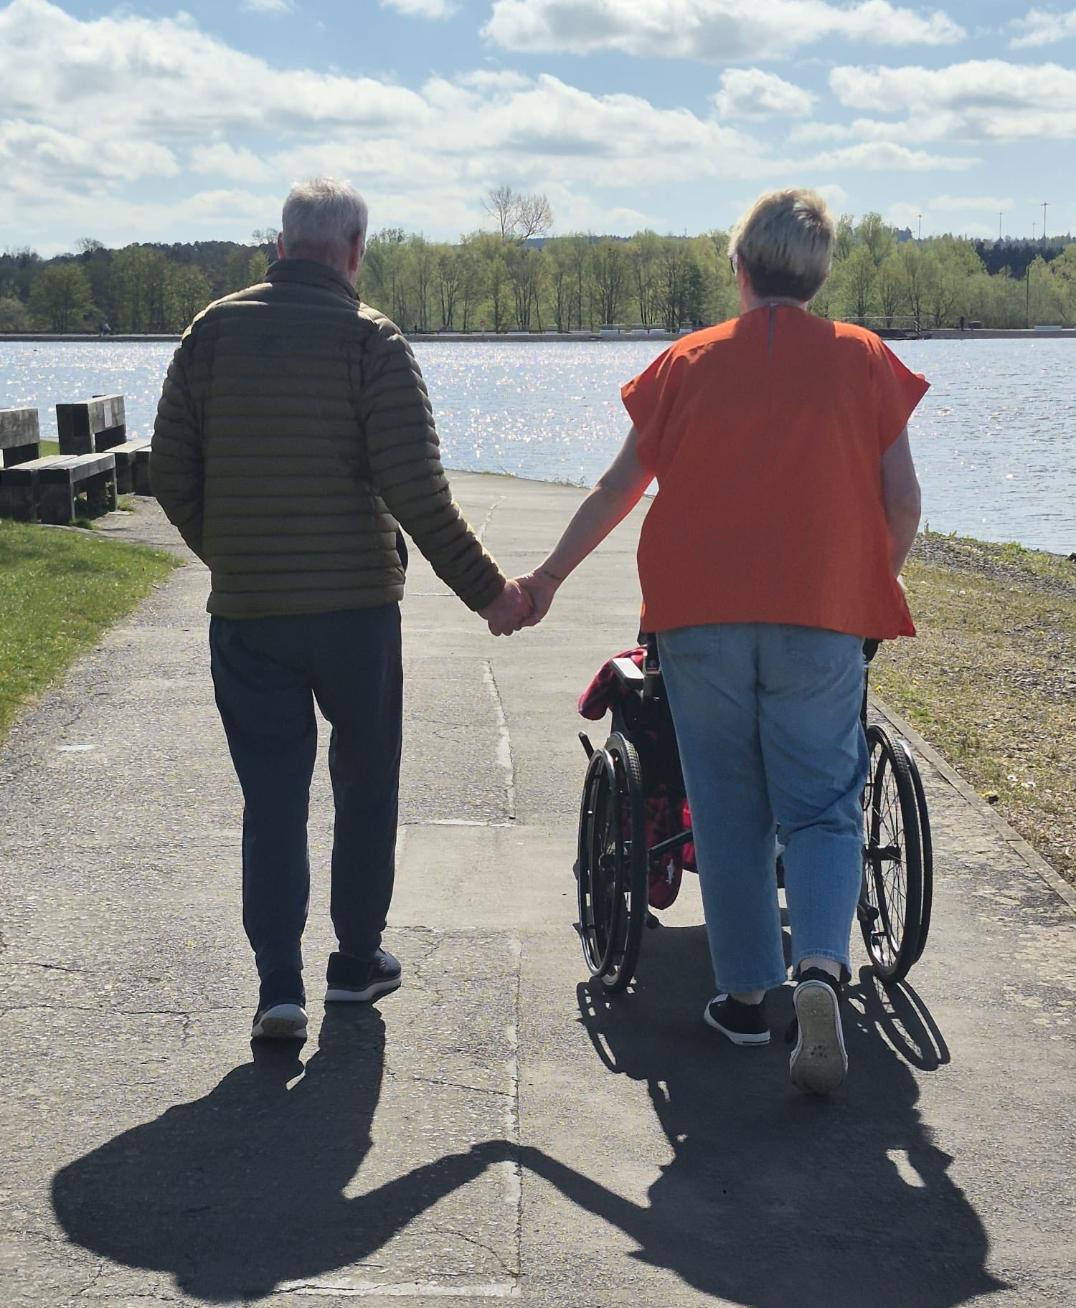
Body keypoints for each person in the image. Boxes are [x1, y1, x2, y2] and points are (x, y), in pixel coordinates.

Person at [517, 188, 926, 1094]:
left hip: (698, 617)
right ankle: (819, 968)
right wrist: (871, 584)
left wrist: (546, 579)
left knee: (729, 807)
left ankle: (746, 1000)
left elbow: (619, 488)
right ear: (819, 273)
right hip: (820, 616)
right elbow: (903, 504)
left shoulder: (687, 362)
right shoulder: (863, 359)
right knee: (822, 806)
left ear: (739, 268)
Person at [151, 177, 530, 1042]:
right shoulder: (372, 340)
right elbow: (417, 491)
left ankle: (278, 988)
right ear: (356, 251)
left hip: (249, 616)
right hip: (356, 612)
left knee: (272, 796)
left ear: (280, 245)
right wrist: (491, 594)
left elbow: (169, 471)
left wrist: (234, 554)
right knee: (365, 785)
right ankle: (356, 963)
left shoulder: (211, 332)